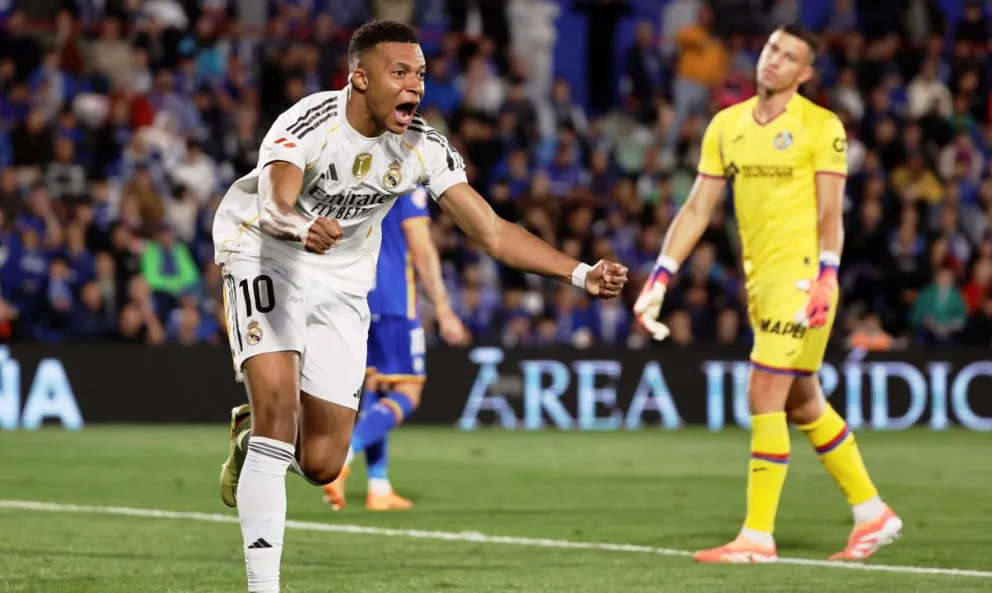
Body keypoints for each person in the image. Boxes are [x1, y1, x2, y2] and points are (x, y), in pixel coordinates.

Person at [212, 20, 628, 593]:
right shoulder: (307, 122)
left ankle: (249, 436)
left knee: (323, 464)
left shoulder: (421, 146)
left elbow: (494, 232)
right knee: (278, 416)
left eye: (421, 75)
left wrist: (580, 273)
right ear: (360, 78)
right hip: (265, 253)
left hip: (342, 280)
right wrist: (302, 225)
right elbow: (275, 205)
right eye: (400, 72)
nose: (416, 86)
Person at [633, 24, 902, 564]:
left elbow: (831, 211)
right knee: (802, 401)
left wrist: (828, 272)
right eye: (771, 48)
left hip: (802, 279)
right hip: (759, 280)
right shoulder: (726, 125)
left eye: (789, 57)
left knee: (763, 393)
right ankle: (872, 512)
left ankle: (757, 537)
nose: (773, 60)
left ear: (805, 73)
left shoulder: (820, 127)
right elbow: (696, 209)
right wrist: (661, 275)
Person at [322, 186, 468, 512]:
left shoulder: (356, 174)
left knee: (376, 388)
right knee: (408, 392)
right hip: (394, 301)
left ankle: (379, 486)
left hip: (353, 296)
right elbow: (421, 246)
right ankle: (341, 459)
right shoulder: (405, 179)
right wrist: (443, 309)